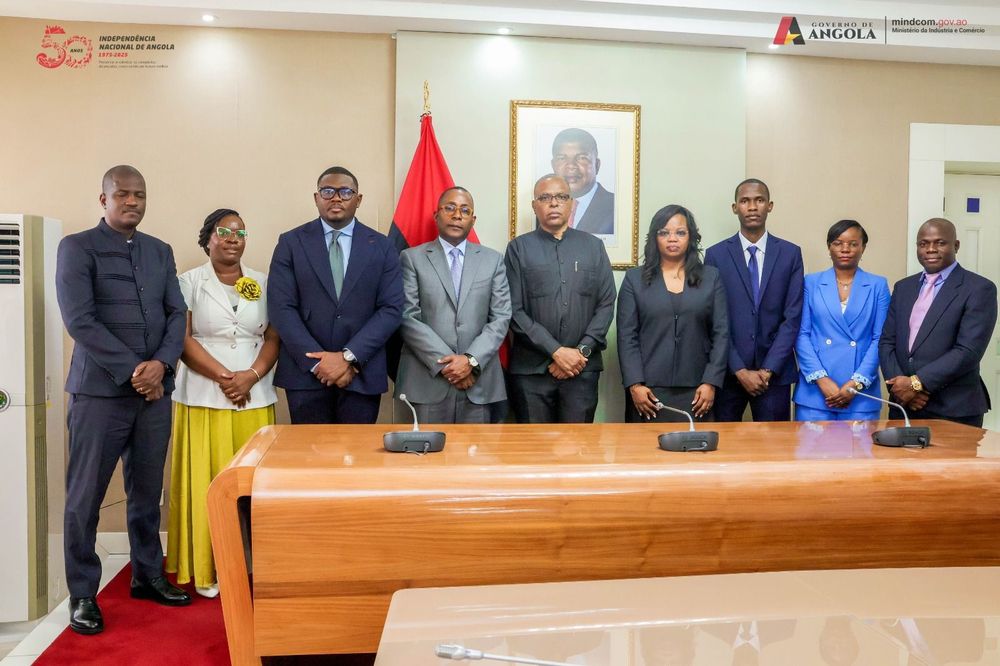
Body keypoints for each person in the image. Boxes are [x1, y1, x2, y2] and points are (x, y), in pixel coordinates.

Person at [56, 165, 190, 635]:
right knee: (85, 498)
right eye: (122, 194)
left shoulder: (159, 250)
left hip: (155, 394)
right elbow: (80, 320)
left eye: (139, 195)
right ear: (104, 199)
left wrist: (162, 365)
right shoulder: (77, 247)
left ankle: (147, 575)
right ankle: (83, 594)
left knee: (148, 493)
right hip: (99, 394)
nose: (132, 201)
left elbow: (177, 313)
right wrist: (138, 370)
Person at [166, 208, 279, 598]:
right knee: (209, 482)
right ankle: (207, 566)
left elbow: (273, 337)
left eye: (240, 233)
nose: (233, 238)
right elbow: (181, 339)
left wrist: (251, 376)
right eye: (224, 232)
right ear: (208, 238)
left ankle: (251, 566)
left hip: (255, 396)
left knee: (252, 486)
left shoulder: (263, 282)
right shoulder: (188, 282)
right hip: (203, 395)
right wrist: (226, 377)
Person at [267, 166, 404, 424]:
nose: (336, 198)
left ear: (358, 199)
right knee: (308, 450)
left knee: (357, 450)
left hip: (361, 372)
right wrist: (318, 363)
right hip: (306, 374)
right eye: (328, 191)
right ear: (316, 198)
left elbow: (391, 309)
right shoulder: (291, 242)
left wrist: (348, 357)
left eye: (345, 192)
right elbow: (281, 308)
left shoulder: (382, 246)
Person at [505, 174, 616, 423]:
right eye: (545, 197)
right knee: (533, 444)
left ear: (571, 203)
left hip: (582, 369)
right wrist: (556, 351)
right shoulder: (518, 249)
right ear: (534, 206)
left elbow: (606, 303)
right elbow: (513, 309)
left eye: (561, 197)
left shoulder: (593, 247)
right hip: (532, 372)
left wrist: (580, 352)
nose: (553, 203)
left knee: (579, 445)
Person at [395, 187, 511, 423]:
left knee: (477, 448)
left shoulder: (493, 260)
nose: (457, 215)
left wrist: (470, 360)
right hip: (428, 380)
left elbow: (501, 317)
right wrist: (449, 365)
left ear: (473, 220)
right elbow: (407, 316)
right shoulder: (411, 258)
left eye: (465, 210)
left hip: (478, 381)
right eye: (450, 208)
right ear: (436, 215)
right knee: (427, 447)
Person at [880, 217, 998, 427]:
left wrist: (916, 384)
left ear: (956, 245)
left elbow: (968, 351)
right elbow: (887, 342)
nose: (931, 249)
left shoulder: (979, 288)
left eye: (940, 243)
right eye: (923, 243)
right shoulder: (903, 287)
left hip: (953, 408)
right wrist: (900, 387)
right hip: (904, 406)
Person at [617, 204, 728, 422]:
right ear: (654, 237)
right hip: (647, 392)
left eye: (680, 233)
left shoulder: (711, 277)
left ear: (691, 237)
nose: (672, 239)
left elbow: (721, 334)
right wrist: (635, 385)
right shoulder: (634, 279)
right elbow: (626, 337)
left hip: (698, 390)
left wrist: (711, 382)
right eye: (664, 233)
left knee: (695, 444)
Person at [705, 178, 803, 422]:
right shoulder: (716, 255)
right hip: (728, 373)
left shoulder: (790, 254)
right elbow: (714, 319)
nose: (752, 207)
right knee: (725, 443)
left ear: (770, 206)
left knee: (775, 443)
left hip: (775, 374)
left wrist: (768, 370)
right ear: (734, 207)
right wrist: (739, 370)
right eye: (745, 201)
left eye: (759, 200)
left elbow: (792, 317)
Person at [794, 220, 890, 421]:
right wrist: (821, 379)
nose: (845, 249)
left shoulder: (878, 285)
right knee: (811, 443)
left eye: (853, 244)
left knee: (860, 443)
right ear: (829, 247)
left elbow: (880, 339)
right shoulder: (810, 283)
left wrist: (855, 383)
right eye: (838, 243)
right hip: (815, 393)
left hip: (860, 395)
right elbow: (801, 334)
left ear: (863, 247)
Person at [550, 128, 615, 235]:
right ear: (553, 166)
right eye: (562, 158)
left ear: (597, 165)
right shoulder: (542, 207)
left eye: (581, 158)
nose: (571, 166)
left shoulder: (615, 207)